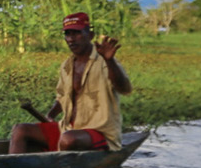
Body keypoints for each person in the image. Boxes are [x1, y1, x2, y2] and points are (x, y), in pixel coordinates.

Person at [9, 12, 132, 153]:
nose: (71, 39)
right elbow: (62, 97)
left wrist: (110, 61)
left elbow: (124, 88)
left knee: (68, 139)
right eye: (68, 34)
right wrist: (50, 115)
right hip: (68, 128)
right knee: (20, 130)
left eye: (77, 33)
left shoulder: (105, 62)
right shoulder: (66, 66)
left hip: (99, 131)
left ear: (90, 35)